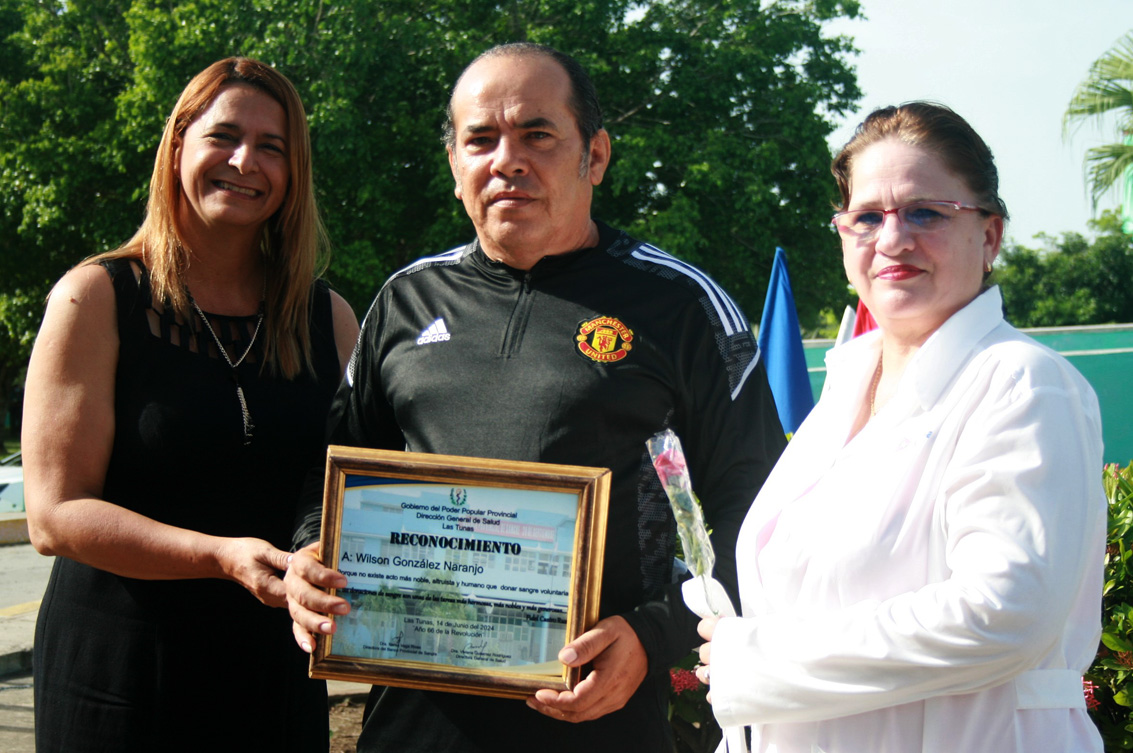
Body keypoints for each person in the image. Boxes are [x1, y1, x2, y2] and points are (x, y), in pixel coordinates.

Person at [285, 42, 787, 752]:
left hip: (600, 724)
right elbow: (330, 478)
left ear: (596, 155)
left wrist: (654, 633)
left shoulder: (680, 305)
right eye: (480, 139)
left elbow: (765, 517)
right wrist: (310, 552)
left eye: (537, 134)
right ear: (454, 163)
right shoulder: (404, 301)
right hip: (414, 725)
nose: (507, 160)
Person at [695, 101, 1106, 753]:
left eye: (925, 212)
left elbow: (1004, 612)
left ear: (989, 235)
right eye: (867, 217)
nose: (892, 239)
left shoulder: (1021, 382)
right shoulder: (844, 389)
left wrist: (756, 661)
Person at [23, 57, 359, 752]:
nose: (245, 161)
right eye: (223, 136)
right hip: (121, 674)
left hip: (275, 668)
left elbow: (355, 488)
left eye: (271, 147)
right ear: (177, 148)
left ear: (293, 173)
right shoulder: (96, 297)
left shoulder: (329, 319)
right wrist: (220, 556)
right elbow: (55, 515)